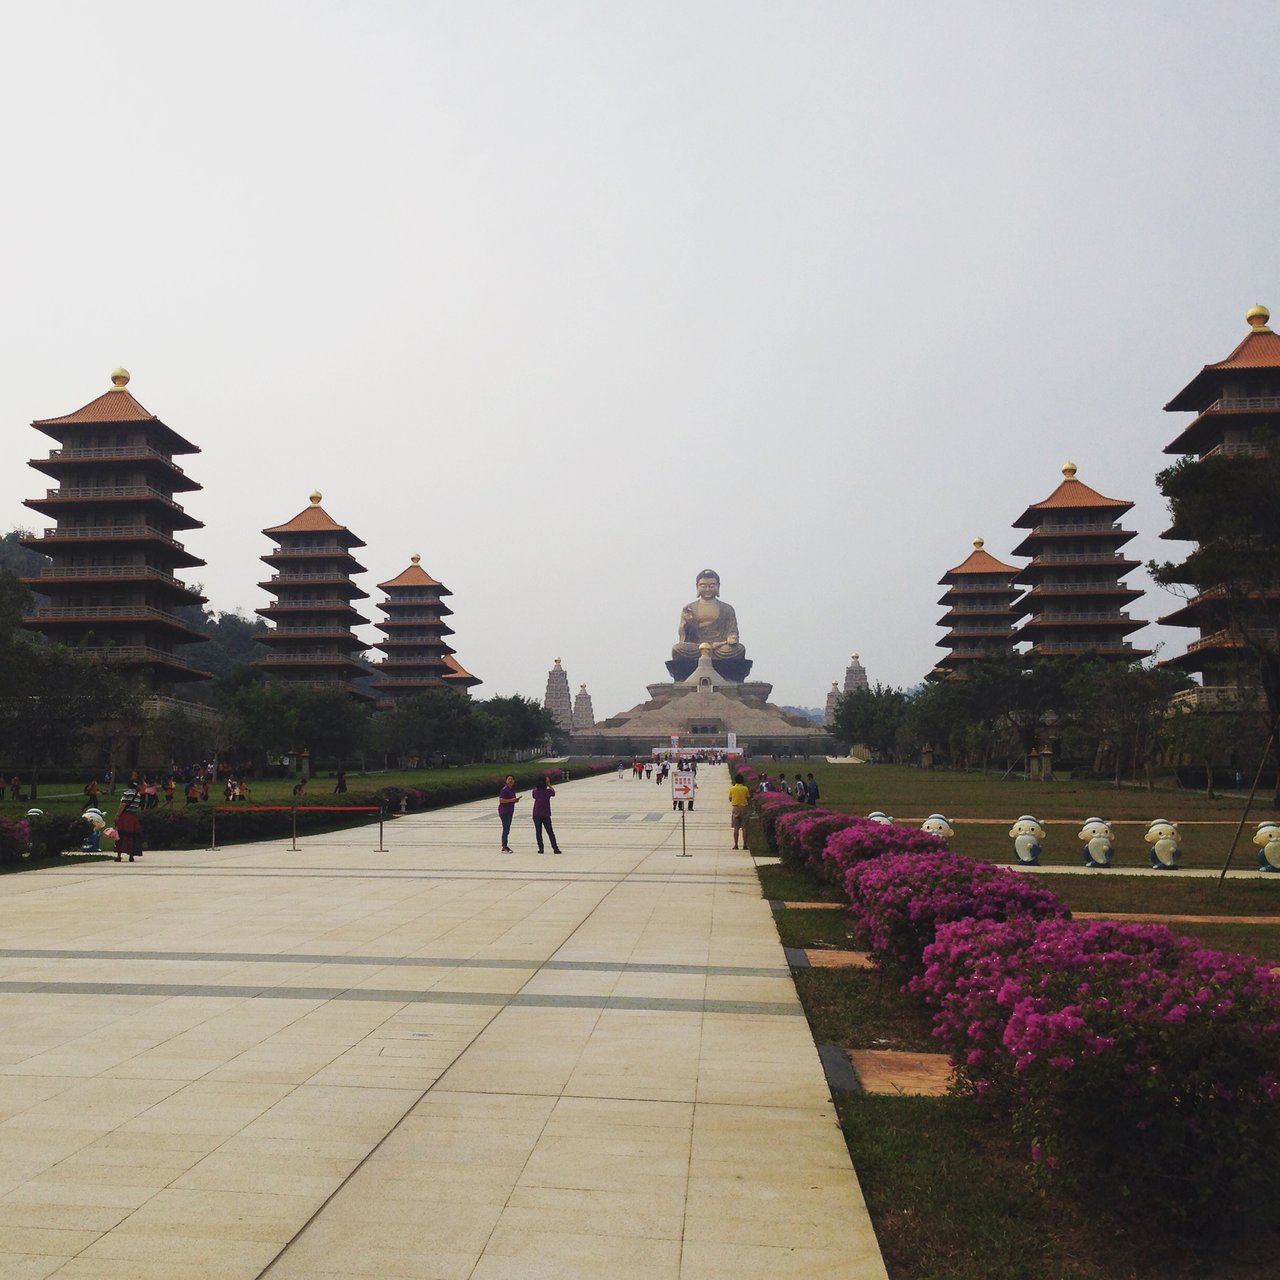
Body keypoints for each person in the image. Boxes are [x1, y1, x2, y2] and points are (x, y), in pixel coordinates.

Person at [672, 569, 746, 661]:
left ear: (718, 586)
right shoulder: (690, 608)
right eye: (703, 586)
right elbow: (683, 637)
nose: (707, 589)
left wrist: (732, 637)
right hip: (697, 647)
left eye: (711, 586)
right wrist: (687, 624)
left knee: (739, 649)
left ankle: (711, 654)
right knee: (677, 649)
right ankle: (705, 653)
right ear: (697, 587)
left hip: (719, 647)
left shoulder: (727, 609)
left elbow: (732, 630)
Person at [530, 775, 563, 855]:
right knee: (550, 832)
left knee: (538, 832)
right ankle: (555, 848)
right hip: (546, 814)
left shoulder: (536, 792)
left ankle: (541, 849)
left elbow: (534, 793)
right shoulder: (548, 792)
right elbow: (553, 793)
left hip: (536, 814)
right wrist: (549, 784)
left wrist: (538, 784)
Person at [113, 779, 143, 862]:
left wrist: (117, 815)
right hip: (133, 817)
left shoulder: (127, 793)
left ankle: (119, 855)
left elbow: (123, 804)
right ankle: (131, 855)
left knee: (121, 836)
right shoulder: (138, 794)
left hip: (125, 816)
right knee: (131, 836)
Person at [728, 772, 751, 851]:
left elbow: (730, 799)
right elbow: (748, 798)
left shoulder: (732, 788)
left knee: (736, 828)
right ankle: (745, 845)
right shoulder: (745, 788)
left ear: (735, 780)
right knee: (744, 828)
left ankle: (736, 845)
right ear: (742, 781)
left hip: (735, 808)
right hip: (744, 808)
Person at [497, 775, 518, 852]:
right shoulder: (504, 789)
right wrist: (511, 800)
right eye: (509, 779)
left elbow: (512, 800)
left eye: (512, 779)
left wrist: (515, 800)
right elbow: (501, 800)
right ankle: (504, 845)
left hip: (510, 811)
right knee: (506, 828)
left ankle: (504, 845)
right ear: (506, 781)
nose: (511, 780)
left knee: (507, 828)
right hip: (504, 811)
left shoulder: (512, 789)